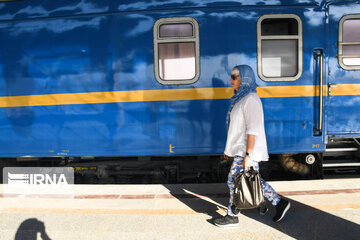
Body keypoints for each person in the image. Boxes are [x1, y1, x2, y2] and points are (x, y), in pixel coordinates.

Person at [214, 65, 290, 228]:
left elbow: (253, 130)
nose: (231, 80)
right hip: (241, 150)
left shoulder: (251, 100)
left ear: (245, 79)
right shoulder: (240, 99)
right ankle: (278, 203)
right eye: (232, 76)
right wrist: (230, 151)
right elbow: (236, 128)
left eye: (235, 77)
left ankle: (233, 214)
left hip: (248, 151)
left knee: (234, 180)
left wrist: (249, 155)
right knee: (250, 180)